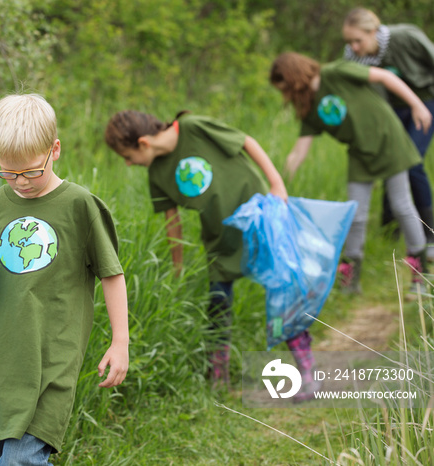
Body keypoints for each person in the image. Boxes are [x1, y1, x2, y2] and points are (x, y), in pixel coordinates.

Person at [0, 93, 130, 465]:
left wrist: (121, 342)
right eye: (8, 171)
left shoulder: (79, 205)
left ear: (54, 150)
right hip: (0, 359)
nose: (20, 182)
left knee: (20, 460)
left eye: (30, 171)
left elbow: (112, 273)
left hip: (53, 358)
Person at [104, 110, 319, 401]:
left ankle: (308, 372)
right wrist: (177, 267)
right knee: (218, 304)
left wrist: (276, 183)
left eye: (127, 156)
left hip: (258, 220)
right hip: (219, 238)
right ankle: (219, 380)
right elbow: (173, 222)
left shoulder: (192, 128)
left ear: (143, 142)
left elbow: (246, 142)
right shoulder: (156, 174)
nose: (128, 163)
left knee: (281, 293)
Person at [270, 52, 432, 295]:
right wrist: (278, 185)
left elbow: (385, 77)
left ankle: (420, 274)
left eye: (286, 88)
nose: (286, 95)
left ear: (294, 77)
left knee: (402, 205)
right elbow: (298, 153)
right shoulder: (309, 108)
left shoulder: (337, 72)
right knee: (355, 214)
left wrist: (417, 105)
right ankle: (350, 278)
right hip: (359, 153)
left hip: (389, 141)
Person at [342, 8, 434, 256]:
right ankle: (390, 231)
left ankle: (430, 234)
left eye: (358, 40)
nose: (354, 47)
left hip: (424, 103)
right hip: (389, 113)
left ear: (373, 32)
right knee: (390, 165)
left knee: (412, 162)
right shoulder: (352, 56)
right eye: (349, 41)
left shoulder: (405, 37)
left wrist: (422, 106)